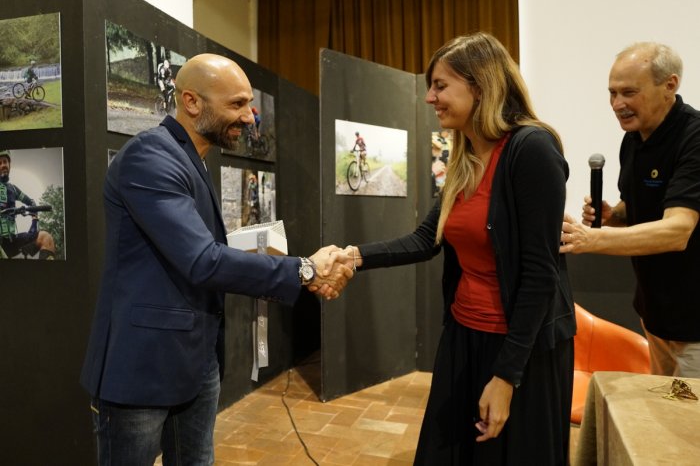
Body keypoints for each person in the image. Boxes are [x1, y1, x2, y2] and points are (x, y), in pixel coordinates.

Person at [80, 53, 353, 465]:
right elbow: (202, 261)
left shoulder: (190, 157)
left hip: (196, 358)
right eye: (237, 104)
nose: (249, 116)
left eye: (249, 104)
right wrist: (305, 269)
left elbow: (196, 253)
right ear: (192, 102)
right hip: (142, 365)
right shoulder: (149, 156)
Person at [323, 32, 575, 465]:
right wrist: (353, 256)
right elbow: (426, 239)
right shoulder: (464, 156)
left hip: (520, 349)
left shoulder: (532, 149)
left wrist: (506, 377)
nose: (429, 98)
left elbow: (540, 274)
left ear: (479, 86)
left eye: (440, 86)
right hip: (464, 336)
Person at [560, 42, 700, 377]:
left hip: (695, 326)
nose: (617, 104)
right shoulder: (634, 138)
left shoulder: (694, 138)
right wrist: (615, 215)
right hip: (656, 317)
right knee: (659, 407)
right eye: (612, 93)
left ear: (670, 85)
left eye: (629, 93)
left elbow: (677, 230)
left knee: (686, 413)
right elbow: (644, 204)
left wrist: (591, 239)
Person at [0, 150, 56, 260]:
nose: (3, 165)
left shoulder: (13, 189)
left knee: (46, 238)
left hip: (11, 241)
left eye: (5, 161)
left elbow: (31, 203)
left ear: (9, 164)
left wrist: (34, 220)